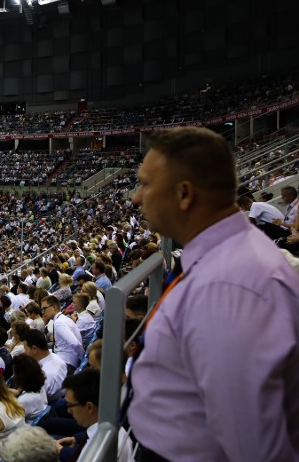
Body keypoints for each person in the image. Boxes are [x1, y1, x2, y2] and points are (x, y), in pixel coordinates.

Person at [128, 127, 299, 461]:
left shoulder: (227, 288)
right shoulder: (230, 262)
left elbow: (257, 451)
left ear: (184, 194)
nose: (136, 197)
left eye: (146, 184)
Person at [56, 369, 132, 462]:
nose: (69, 411)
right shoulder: (116, 426)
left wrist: (60, 451)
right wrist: (76, 438)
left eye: (70, 405)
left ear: (89, 407)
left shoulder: (94, 454)